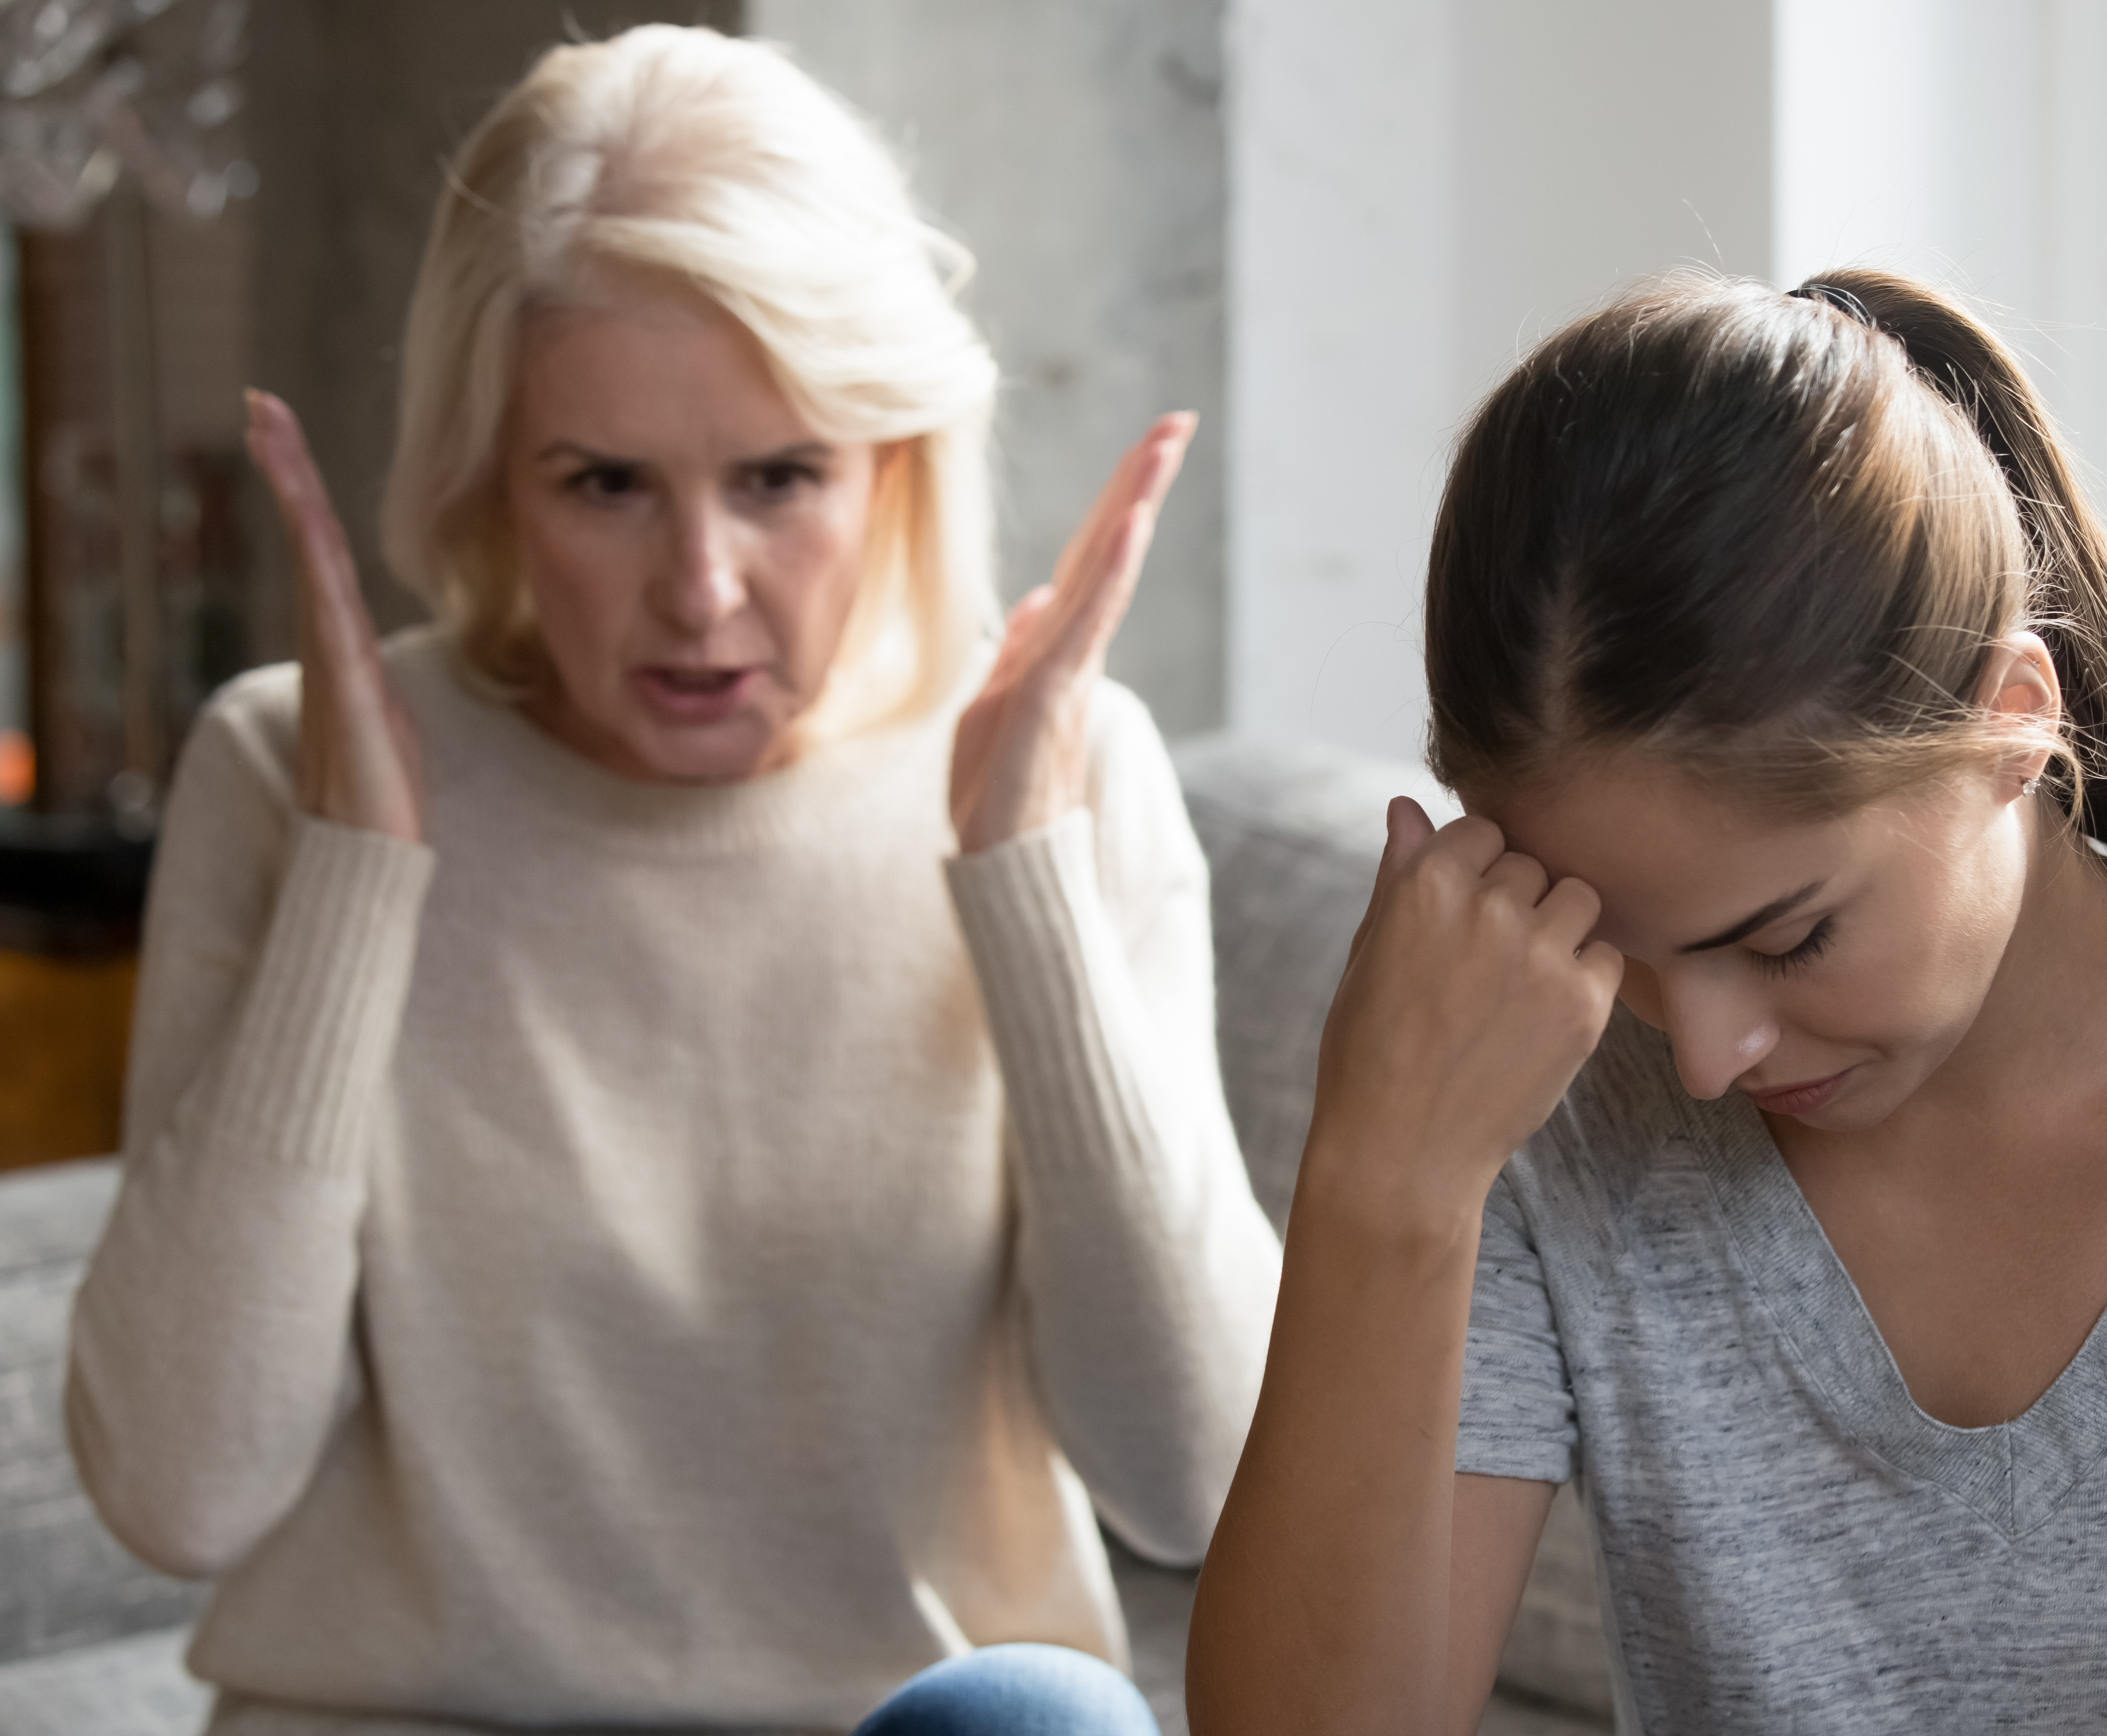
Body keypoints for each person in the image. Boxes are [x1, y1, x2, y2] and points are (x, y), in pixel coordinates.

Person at [1186, 269, 2107, 1733]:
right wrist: (1384, 1180)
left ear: (2011, 722)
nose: (1704, 1054)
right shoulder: (1537, 1087)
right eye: (1615, 947)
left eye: (1788, 939)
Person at [67, 25, 1280, 1736]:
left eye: (780, 478)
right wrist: (361, 876)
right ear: (492, 477)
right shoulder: (294, 770)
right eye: (608, 485)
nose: (702, 590)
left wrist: (1025, 884)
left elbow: (1199, 1483)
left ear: (891, 462)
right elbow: (179, 1489)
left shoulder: (1062, 780)